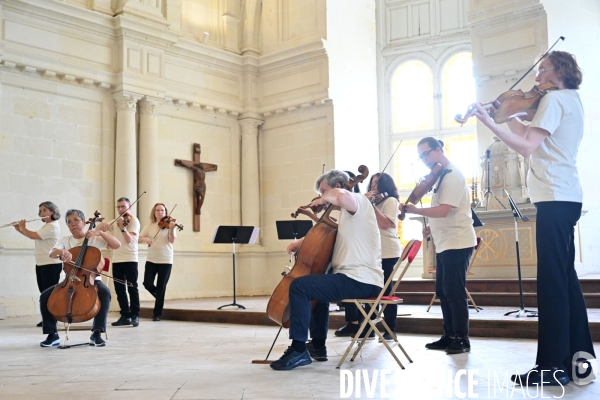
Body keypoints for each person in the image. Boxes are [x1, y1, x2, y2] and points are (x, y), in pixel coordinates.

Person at [473, 50, 595, 386]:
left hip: (554, 197)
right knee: (565, 282)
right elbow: (530, 130)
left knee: (553, 284)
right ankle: (578, 363)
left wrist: (486, 121)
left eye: (543, 69)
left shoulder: (555, 101)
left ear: (560, 70)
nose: (537, 75)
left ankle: (551, 369)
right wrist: (503, 113)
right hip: (564, 196)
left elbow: (526, 147)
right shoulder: (569, 100)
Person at [270, 169, 383, 371]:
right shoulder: (348, 215)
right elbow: (331, 235)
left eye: (323, 190)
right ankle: (318, 346)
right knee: (316, 288)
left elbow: (340, 195)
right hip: (355, 279)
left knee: (299, 287)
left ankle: (298, 350)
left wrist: (324, 199)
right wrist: (301, 242)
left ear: (338, 186)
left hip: (360, 280)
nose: (321, 195)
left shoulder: (357, 200)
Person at [401, 137, 476, 354]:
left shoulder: (452, 175)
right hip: (445, 242)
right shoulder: (440, 176)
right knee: (443, 291)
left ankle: (462, 339)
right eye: (421, 156)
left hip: (458, 241)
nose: (424, 159)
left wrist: (415, 211)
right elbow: (441, 212)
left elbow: (444, 210)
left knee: (454, 292)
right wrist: (430, 228)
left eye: (426, 154)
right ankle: (450, 334)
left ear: (439, 149)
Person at [335, 172, 403, 341]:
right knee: (367, 287)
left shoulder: (390, 201)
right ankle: (367, 327)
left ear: (385, 185)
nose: (373, 186)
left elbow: (387, 223)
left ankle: (390, 329)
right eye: (372, 184)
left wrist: (368, 205)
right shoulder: (371, 202)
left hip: (387, 251)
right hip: (371, 252)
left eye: (377, 184)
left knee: (386, 290)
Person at [40, 209, 121, 347]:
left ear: (84, 222)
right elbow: (52, 253)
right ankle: (52, 335)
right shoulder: (66, 240)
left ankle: (96, 333)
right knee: (45, 296)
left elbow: (117, 245)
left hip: (91, 280)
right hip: (69, 279)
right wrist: (62, 251)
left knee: (105, 292)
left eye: (76, 220)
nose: (73, 224)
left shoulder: (95, 238)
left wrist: (100, 232)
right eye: (69, 222)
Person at [12, 201, 62, 327]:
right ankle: (48, 317)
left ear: (52, 212)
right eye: (40, 210)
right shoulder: (47, 226)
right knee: (43, 292)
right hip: (42, 263)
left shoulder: (53, 226)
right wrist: (20, 229)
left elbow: (33, 235)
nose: (41, 213)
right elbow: (33, 235)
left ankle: (51, 319)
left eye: (45, 210)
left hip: (51, 264)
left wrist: (23, 227)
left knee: (49, 294)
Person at [97, 197, 141, 327]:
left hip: (130, 258)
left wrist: (122, 228)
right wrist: (101, 225)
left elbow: (128, 240)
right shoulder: (116, 221)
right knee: (119, 289)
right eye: (119, 207)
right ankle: (125, 315)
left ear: (129, 207)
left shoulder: (133, 221)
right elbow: (101, 228)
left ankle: (135, 315)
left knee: (132, 288)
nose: (121, 209)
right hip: (117, 259)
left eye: (123, 206)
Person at [139, 203, 177, 321]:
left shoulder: (170, 225)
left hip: (166, 259)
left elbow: (172, 240)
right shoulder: (150, 225)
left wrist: (172, 229)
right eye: (158, 210)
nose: (160, 212)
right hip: (151, 259)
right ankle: (159, 297)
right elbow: (138, 238)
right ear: (154, 213)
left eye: (162, 210)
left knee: (161, 286)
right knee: (147, 283)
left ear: (165, 212)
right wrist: (146, 239)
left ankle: (157, 314)